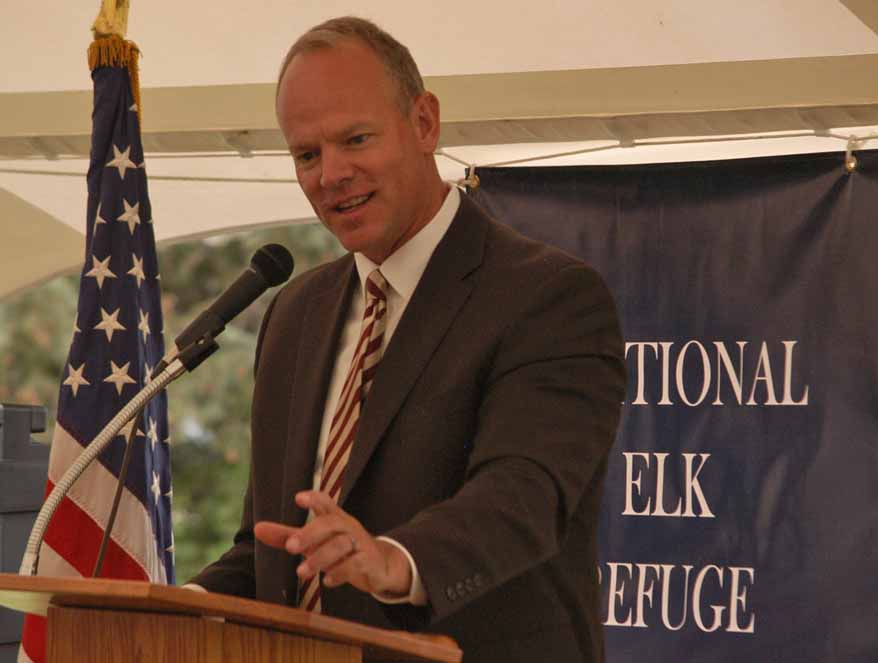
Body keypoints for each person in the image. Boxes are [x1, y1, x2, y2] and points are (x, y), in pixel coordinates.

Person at [189, 16, 625, 663]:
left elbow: (522, 496)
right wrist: (174, 600)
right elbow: (276, 545)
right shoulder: (296, 312)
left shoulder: (549, 296)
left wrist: (394, 559)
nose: (330, 173)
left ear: (424, 122)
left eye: (355, 139)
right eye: (306, 154)